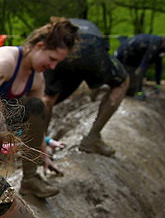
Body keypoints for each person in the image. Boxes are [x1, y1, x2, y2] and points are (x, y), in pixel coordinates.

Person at [0, 18, 78, 198]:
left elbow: (37, 122)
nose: (53, 66)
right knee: (0, 113)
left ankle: (30, 181)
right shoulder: (7, 61)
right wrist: (4, 139)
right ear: (39, 46)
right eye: (52, 59)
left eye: (57, 63)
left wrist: (43, 155)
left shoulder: (37, 79)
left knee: (36, 105)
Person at [42, 18, 129, 156]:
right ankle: (92, 137)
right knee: (122, 82)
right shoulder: (90, 27)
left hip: (62, 51)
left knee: (48, 97)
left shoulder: (56, 31)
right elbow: (103, 53)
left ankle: (40, 145)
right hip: (93, 50)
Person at [115, 32, 165, 99]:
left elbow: (159, 64)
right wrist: (139, 92)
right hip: (124, 58)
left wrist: (158, 83)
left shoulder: (162, 47)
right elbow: (141, 69)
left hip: (135, 58)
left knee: (139, 75)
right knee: (130, 89)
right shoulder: (153, 47)